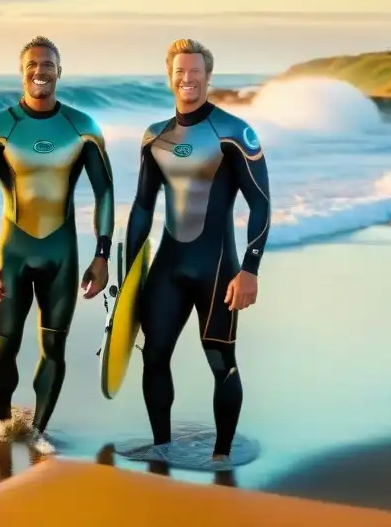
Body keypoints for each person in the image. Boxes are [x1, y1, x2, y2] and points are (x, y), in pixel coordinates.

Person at [124, 38, 270, 467]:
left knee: (220, 361)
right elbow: (142, 206)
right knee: (154, 356)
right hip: (167, 268)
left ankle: (222, 455)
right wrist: (127, 271)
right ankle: (162, 446)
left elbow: (260, 201)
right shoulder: (155, 136)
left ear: (208, 75)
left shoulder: (234, 132)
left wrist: (250, 270)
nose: (187, 79)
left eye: (195, 71)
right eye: (179, 72)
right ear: (170, 76)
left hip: (218, 268)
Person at [0, 35, 114, 453]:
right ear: (22, 71)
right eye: (32, 64)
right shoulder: (0, 127)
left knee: (54, 347)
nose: (40, 71)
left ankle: (38, 434)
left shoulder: (82, 128)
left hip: (63, 256)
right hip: (11, 254)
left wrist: (102, 255)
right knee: (4, 347)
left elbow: (105, 191)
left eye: (47, 64)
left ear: (59, 72)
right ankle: (0, 427)